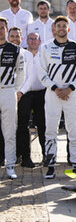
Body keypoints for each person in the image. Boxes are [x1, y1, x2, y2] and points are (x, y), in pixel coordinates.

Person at [38, 16, 76, 179]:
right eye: (59, 26)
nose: (61, 29)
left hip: (71, 94)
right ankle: (51, 164)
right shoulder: (46, 48)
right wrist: (55, 88)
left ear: (68, 29)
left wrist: (69, 88)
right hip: (52, 94)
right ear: (54, 29)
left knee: (74, 129)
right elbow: (41, 72)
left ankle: (75, 163)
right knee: (51, 129)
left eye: (64, 26)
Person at [0, 17, 25, 179]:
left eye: (2, 27)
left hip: (8, 91)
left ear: (6, 30)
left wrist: (13, 90)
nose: (0, 30)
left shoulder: (15, 49)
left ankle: (10, 165)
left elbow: (21, 74)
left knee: (9, 131)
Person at [16, 32, 46, 167]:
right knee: (23, 125)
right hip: (25, 94)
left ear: (40, 41)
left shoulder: (44, 55)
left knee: (43, 124)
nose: (33, 41)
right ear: (26, 41)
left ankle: (46, 155)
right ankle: (25, 157)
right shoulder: (22, 54)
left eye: (36, 39)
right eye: (31, 39)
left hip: (41, 93)